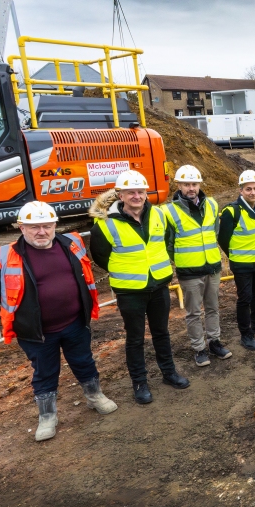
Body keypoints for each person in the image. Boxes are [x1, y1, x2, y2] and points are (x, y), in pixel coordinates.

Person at [0, 201, 114, 442]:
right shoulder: (3, 256)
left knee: (84, 361)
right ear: (21, 228)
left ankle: (95, 397)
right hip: (37, 331)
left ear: (54, 225)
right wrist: (22, 302)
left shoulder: (71, 243)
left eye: (47, 226)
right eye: (34, 227)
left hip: (75, 322)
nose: (42, 231)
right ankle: (47, 416)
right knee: (44, 372)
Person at [89, 170, 189, 404]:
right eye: (130, 192)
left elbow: (165, 241)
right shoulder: (104, 224)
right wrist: (129, 271)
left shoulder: (160, 215)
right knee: (135, 338)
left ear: (146, 193)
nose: (136, 196)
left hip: (159, 285)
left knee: (161, 332)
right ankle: (139, 382)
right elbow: (101, 257)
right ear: (120, 195)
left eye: (140, 191)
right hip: (130, 291)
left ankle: (169, 373)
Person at [162, 164, 230, 368]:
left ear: (200, 184)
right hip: (189, 272)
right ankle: (199, 348)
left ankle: (214, 342)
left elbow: (215, 233)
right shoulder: (169, 211)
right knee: (193, 312)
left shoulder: (212, 204)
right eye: (186, 184)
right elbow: (168, 244)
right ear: (179, 185)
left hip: (212, 268)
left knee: (213, 308)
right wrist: (183, 260)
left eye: (194, 184)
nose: (191, 188)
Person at [218, 170, 255, 351]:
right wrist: (236, 256)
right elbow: (223, 239)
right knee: (245, 298)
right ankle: (246, 334)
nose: (253, 192)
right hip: (242, 264)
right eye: (248, 189)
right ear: (241, 190)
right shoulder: (231, 211)